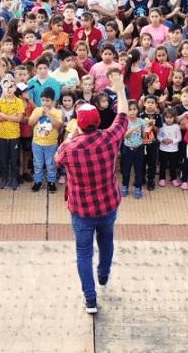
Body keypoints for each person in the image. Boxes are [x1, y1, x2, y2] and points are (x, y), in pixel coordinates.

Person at [55, 70, 128, 315]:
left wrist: (72, 135)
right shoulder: (109, 139)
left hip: (82, 210)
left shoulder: (70, 147)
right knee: (107, 241)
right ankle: (104, 273)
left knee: (83, 252)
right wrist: (120, 90)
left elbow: (57, 160)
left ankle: (90, 299)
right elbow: (123, 116)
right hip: (108, 205)